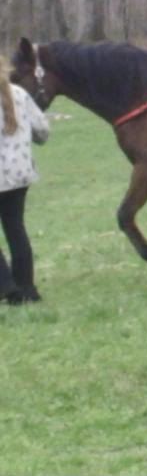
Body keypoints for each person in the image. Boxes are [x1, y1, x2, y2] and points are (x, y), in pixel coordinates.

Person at [0, 55, 50, 305]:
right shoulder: (19, 93)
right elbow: (42, 130)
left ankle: (8, 286)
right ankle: (27, 287)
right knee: (16, 229)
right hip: (19, 175)